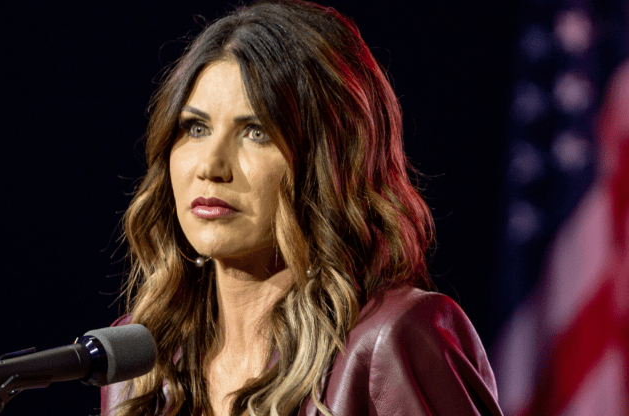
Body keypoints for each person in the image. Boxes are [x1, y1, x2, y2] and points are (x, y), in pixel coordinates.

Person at [101, 0, 503, 415]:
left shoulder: (389, 340)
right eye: (195, 128)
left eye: (255, 132)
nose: (210, 166)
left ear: (328, 162)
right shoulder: (141, 360)